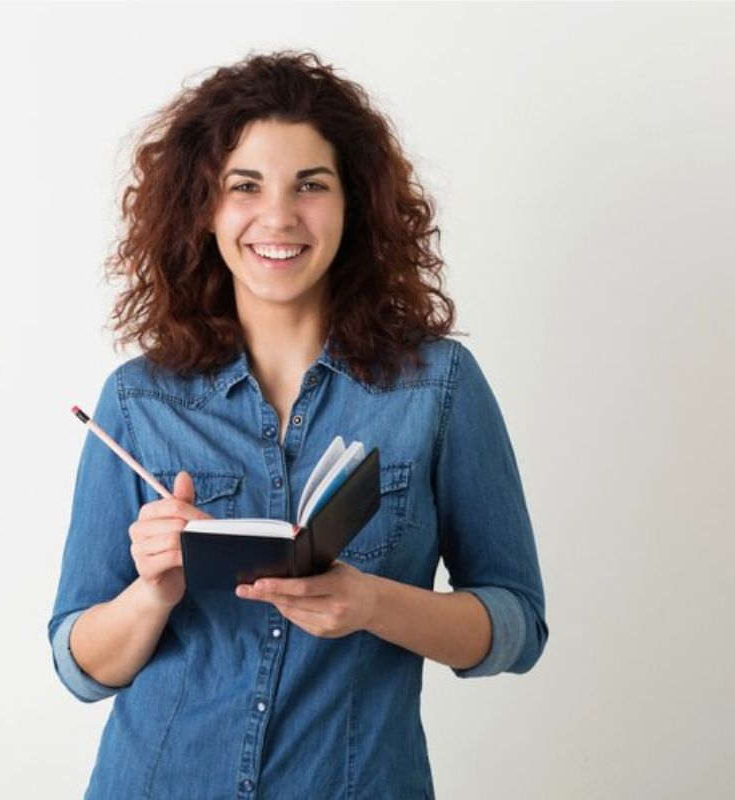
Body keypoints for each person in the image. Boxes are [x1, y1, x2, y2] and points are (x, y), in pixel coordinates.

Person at [48, 50, 548, 799]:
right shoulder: (138, 402)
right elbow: (79, 666)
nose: (277, 217)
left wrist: (375, 605)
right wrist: (152, 590)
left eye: (309, 186)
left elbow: (516, 626)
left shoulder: (438, 388)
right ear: (204, 209)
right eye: (244, 187)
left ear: (354, 204)